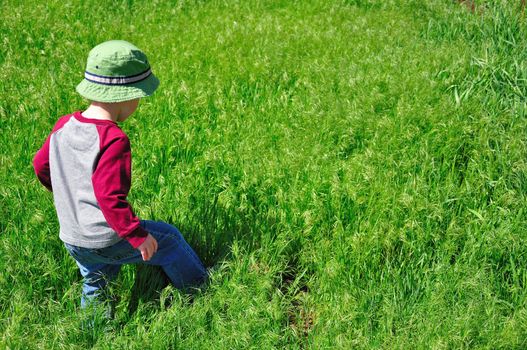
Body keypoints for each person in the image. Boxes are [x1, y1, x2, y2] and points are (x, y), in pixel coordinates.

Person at [32, 40, 207, 312]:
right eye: (138, 96)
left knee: (96, 279)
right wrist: (136, 236)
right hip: (106, 237)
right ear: (124, 96)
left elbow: (41, 165)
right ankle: (201, 291)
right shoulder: (113, 139)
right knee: (169, 239)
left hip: (72, 236)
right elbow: (109, 197)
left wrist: (69, 194)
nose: (138, 103)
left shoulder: (64, 125)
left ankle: (93, 330)